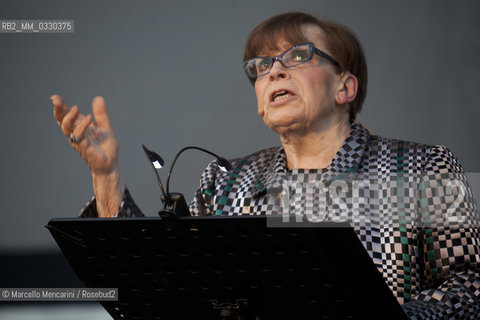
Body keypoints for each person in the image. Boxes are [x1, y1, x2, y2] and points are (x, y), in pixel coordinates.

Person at [52, 12, 480, 319]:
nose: (273, 71)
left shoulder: (423, 167)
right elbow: (159, 291)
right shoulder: (224, 181)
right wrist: (107, 176)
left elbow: (469, 289)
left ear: (345, 86)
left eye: (297, 56)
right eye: (260, 67)